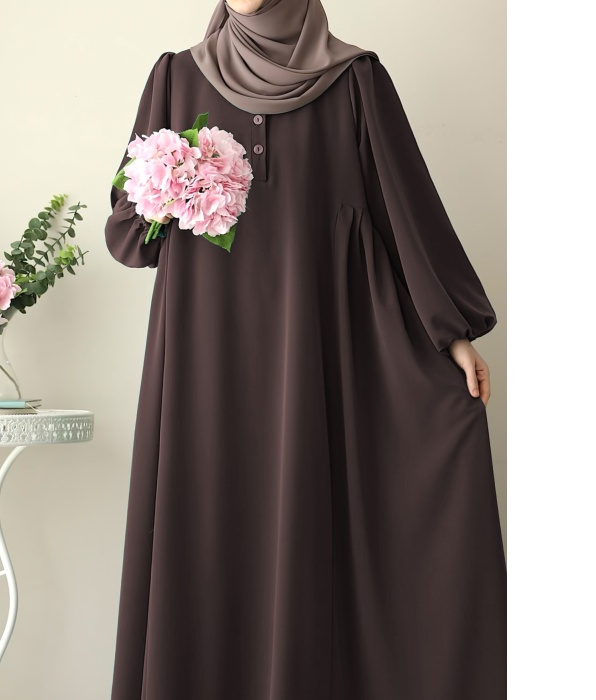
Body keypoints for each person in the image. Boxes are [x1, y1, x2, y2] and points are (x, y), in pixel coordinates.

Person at [105, 1, 506, 698]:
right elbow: (128, 239)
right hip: (206, 360)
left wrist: (452, 334)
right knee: (212, 526)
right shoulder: (174, 77)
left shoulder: (355, 80)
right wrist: (168, 187)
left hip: (319, 351)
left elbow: (403, 214)